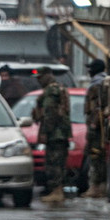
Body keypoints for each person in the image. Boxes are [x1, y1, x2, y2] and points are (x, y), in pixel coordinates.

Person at [31, 66, 72, 204]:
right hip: (60, 133)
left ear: (47, 76)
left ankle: (56, 192)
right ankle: (57, 191)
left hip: (55, 134)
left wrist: (45, 132)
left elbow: (50, 114)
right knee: (59, 162)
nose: (38, 81)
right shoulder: (59, 87)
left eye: (40, 77)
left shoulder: (51, 91)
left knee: (53, 163)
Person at [81, 58, 108, 198]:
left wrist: (94, 124)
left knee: (95, 155)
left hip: (96, 129)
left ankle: (96, 187)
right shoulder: (103, 82)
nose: (89, 71)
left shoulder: (97, 85)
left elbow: (99, 107)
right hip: (99, 127)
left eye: (90, 68)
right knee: (98, 156)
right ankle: (100, 186)